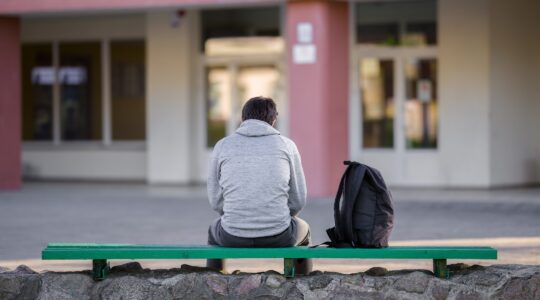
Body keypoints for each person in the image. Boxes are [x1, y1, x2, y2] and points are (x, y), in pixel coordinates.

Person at [206, 96, 312, 274]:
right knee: (305, 230)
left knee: (212, 230)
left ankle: (215, 285)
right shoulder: (286, 146)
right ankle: (303, 284)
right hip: (279, 234)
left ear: (243, 119)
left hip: (232, 235)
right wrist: (278, 216)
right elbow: (298, 200)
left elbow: (215, 201)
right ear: (273, 120)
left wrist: (238, 215)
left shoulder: (222, 146)